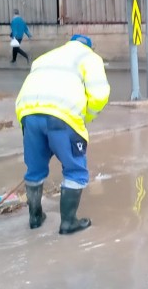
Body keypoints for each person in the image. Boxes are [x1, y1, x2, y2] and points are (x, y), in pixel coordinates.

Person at [15, 34, 110, 235]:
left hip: (28, 114)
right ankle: (68, 222)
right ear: (90, 48)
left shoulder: (46, 57)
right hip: (62, 115)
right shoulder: (90, 58)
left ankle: (35, 217)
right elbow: (100, 94)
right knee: (75, 169)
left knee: (35, 169)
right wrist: (86, 117)